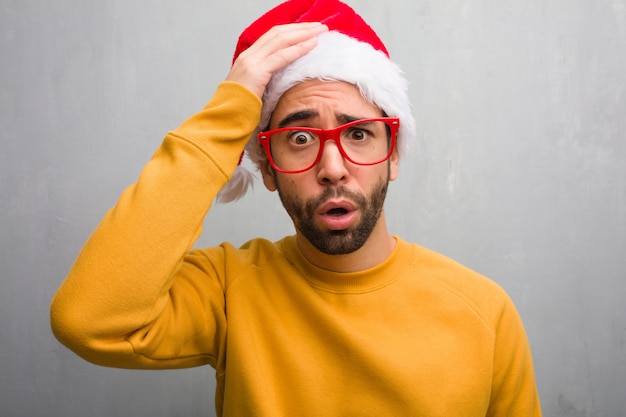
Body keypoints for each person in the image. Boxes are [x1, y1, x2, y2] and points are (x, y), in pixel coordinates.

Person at [50, 0, 542, 415]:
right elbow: (89, 320)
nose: (332, 167)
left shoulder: (485, 313)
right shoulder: (228, 290)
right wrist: (230, 111)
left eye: (358, 133)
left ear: (392, 155)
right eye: (300, 137)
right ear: (266, 167)